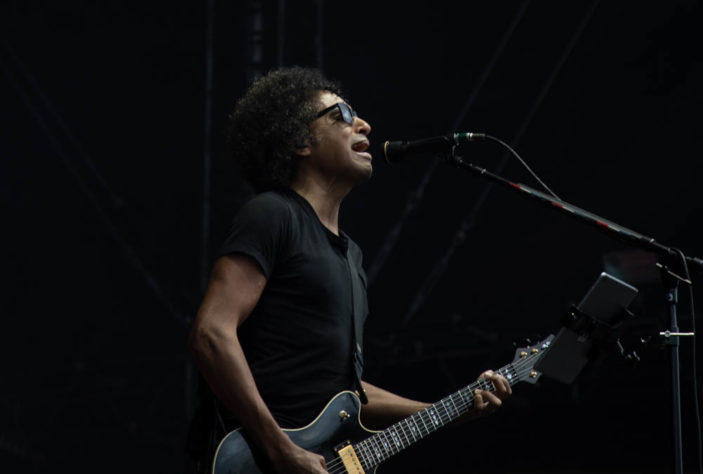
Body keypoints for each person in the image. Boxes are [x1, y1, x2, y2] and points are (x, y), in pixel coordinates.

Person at [186, 66, 511, 474]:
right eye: (340, 114)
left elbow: (347, 396)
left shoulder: (351, 256)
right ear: (300, 141)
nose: (364, 124)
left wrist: (450, 410)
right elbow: (211, 334)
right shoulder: (272, 214)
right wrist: (281, 449)